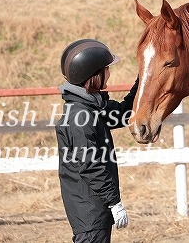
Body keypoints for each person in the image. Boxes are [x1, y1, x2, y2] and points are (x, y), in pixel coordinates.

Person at [55, 39, 138, 243]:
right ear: (93, 75)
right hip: (89, 212)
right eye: (106, 70)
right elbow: (90, 166)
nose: (109, 73)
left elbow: (123, 113)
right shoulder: (80, 116)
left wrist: (143, 81)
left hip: (93, 208)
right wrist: (114, 202)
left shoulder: (92, 107)